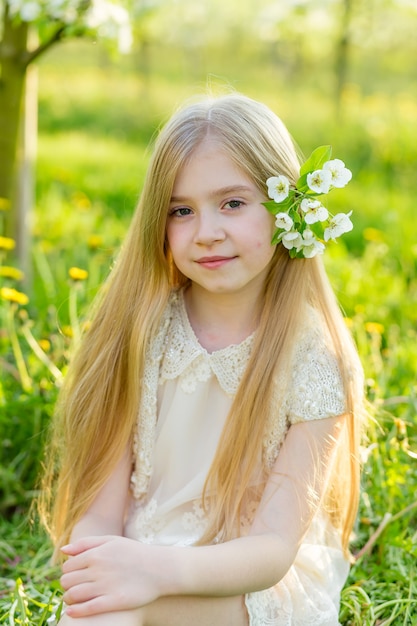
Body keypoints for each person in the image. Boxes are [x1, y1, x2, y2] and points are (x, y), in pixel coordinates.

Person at [40, 92, 365, 626]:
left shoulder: (314, 360)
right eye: (181, 211)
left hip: (251, 585)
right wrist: (104, 567)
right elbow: (98, 513)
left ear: (287, 209)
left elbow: (271, 550)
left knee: (131, 611)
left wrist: (152, 576)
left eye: (232, 203)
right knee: (104, 615)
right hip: (140, 559)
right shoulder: (140, 332)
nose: (207, 231)